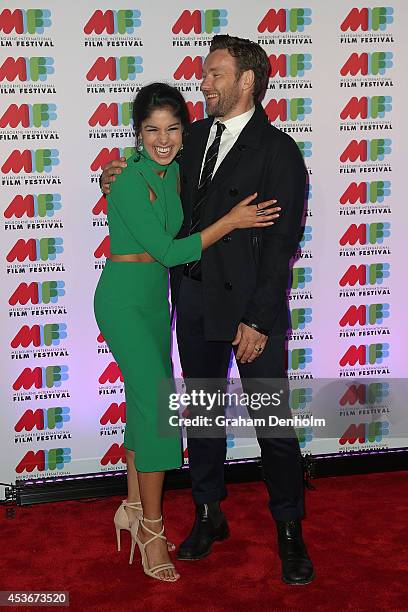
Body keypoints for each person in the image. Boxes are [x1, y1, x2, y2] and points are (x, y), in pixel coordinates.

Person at [101, 35, 314, 585]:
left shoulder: (279, 151)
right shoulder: (191, 137)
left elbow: (282, 243)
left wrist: (260, 320)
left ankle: (289, 530)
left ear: (246, 80)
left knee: (272, 423)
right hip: (191, 304)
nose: (204, 84)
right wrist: (115, 173)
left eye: (215, 75)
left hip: (248, 316)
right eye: (203, 74)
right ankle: (206, 515)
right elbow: (149, 159)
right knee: (201, 419)